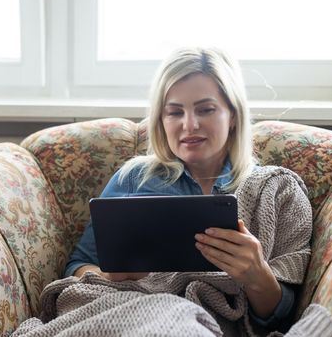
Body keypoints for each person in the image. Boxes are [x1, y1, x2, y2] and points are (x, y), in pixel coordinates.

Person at [63, 47, 311, 332]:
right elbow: (78, 266)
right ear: (161, 120)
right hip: (133, 318)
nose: (189, 125)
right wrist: (109, 276)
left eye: (206, 109)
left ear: (232, 115)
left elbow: (283, 318)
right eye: (174, 112)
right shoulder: (133, 179)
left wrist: (257, 276)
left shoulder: (277, 191)